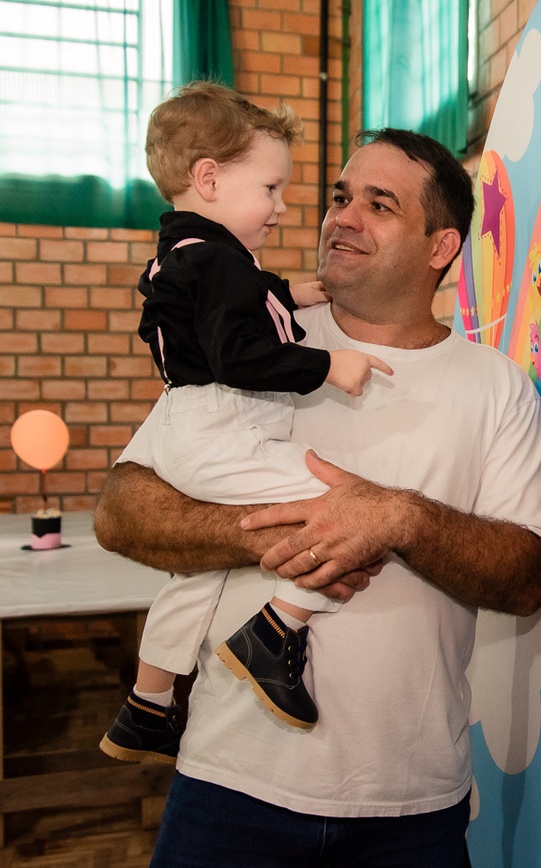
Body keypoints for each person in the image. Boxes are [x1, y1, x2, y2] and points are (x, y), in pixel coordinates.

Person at [94, 128, 541, 867]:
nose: (342, 217)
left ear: (441, 247)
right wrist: (274, 536)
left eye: (380, 204)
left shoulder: (498, 388)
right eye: (340, 197)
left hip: (409, 803)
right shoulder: (254, 337)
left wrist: (397, 517)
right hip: (228, 783)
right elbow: (121, 511)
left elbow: (525, 578)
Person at [99, 83, 394, 762]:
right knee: (341, 512)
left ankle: (147, 704)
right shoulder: (219, 260)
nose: (281, 208)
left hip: (188, 426)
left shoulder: (186, 252)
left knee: (198, 572)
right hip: (224, 422)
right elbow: (239, 354)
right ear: (209, 179)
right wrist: (327, 365)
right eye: (270, 188)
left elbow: (221, 307)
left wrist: (288, 293)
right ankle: (276, 630)